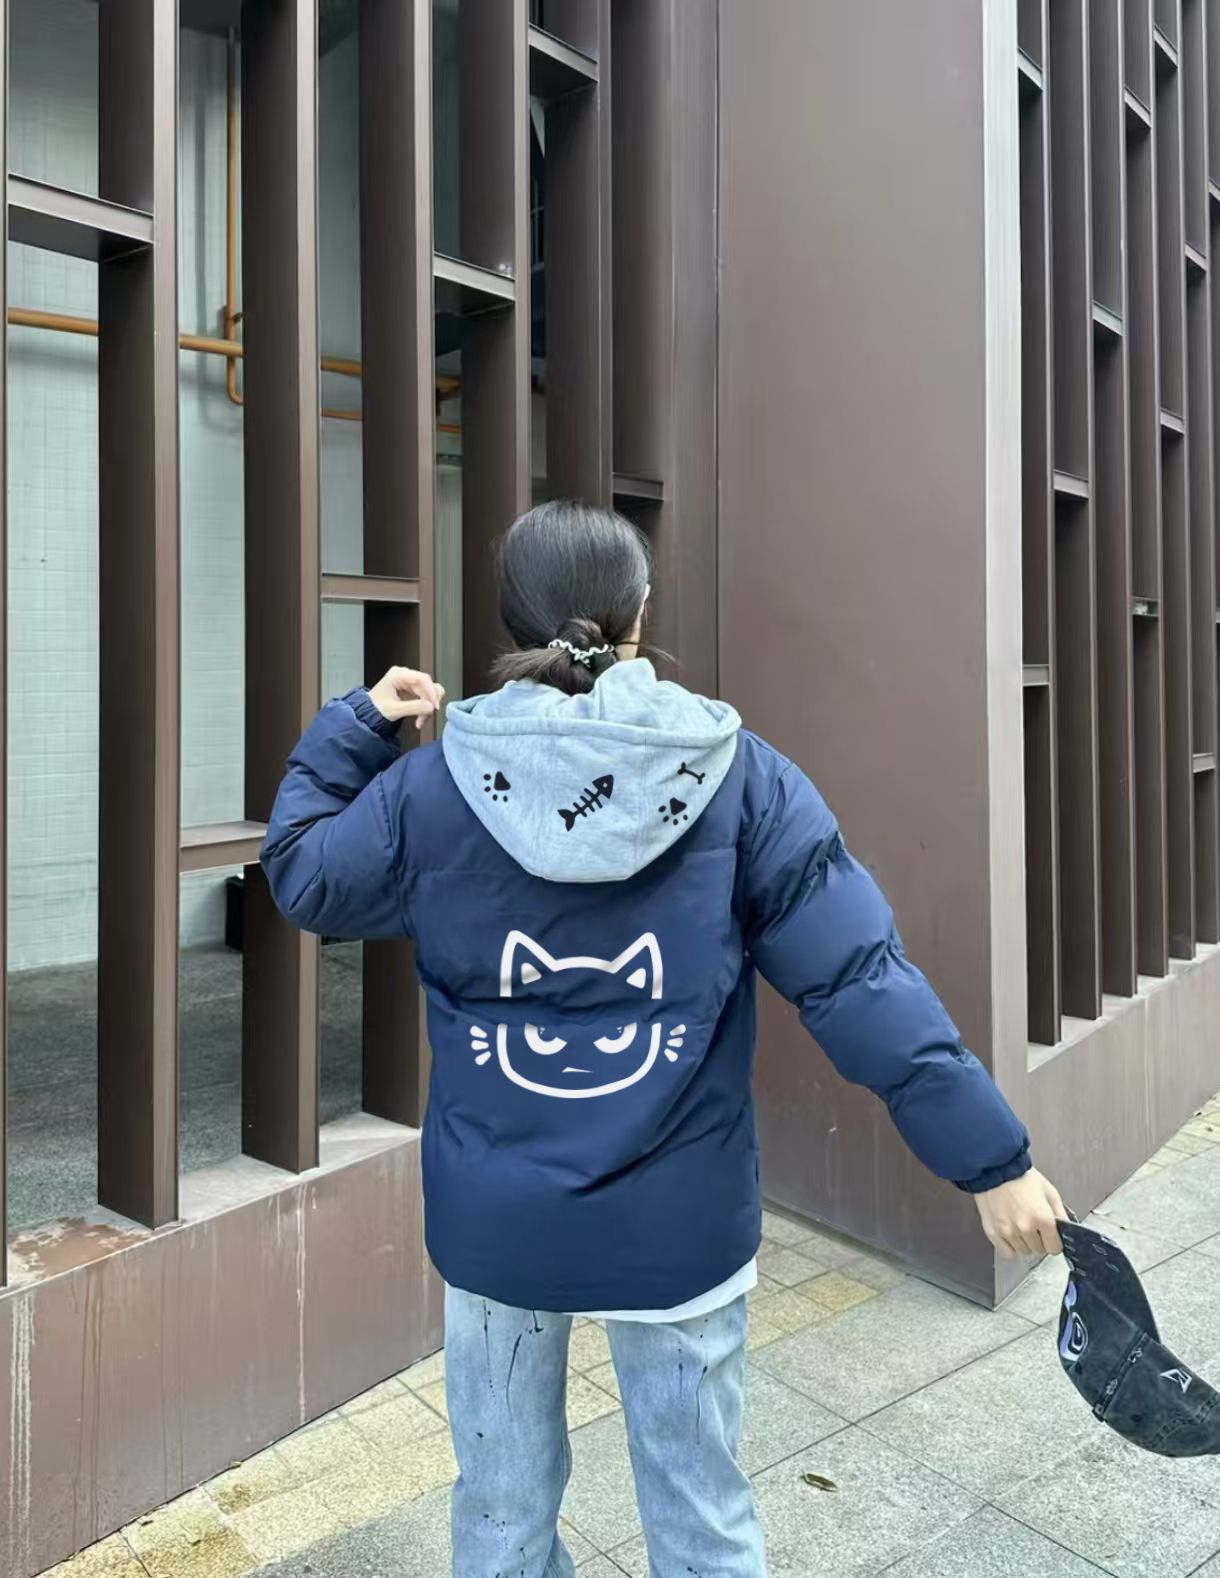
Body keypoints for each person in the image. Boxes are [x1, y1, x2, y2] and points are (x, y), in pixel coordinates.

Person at [262, 500, 1065, 1578]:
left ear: (512, 619)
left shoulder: (428, 787)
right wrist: (992, 1163)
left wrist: (359, 722)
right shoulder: (741, 776)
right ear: (639, 612)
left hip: (499, 1228)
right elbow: (858, 983)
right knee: (701, 1519)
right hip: (680, 1225)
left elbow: (302, 874)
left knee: (499, 1521)